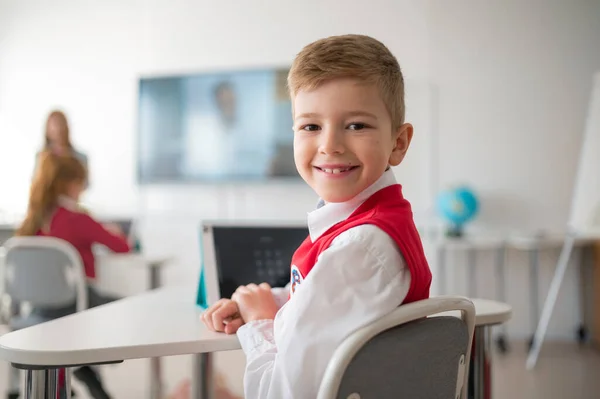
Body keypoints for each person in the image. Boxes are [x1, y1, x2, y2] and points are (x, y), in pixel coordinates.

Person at [200, 34, 433, 398]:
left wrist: (261, 323)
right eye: (310, 126)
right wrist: (270, 303)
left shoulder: (359, 248)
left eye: (356, 125)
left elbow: (280, 392)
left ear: (398, 143)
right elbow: (327, 297)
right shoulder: (363, 226)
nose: (329, 145)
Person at [16, 151, 131, 399]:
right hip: (75, 305)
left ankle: (87, 387)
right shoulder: (77, 218)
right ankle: (96, 380)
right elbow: (122, 247)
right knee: (127, 307)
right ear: (70, 184)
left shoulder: (32, 220)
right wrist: (115, 232)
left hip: (38, 310)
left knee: (70, 331)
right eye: (82, 183)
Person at [35, 110, 89, 186]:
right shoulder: (41, 157)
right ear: (47, 130)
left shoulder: (80, 158)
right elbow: (36, 182)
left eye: (60, 124)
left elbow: (85, 184)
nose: (57, 129)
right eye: (53, 125)